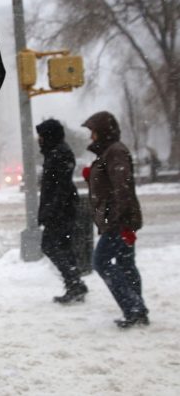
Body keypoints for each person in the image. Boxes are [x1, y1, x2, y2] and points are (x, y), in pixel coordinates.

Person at [82, 111, 149, 328]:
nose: (91, 136)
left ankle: (134, 308)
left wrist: (124, 224)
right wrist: (91, 176)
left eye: (93, 131)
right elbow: (111, 182)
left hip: (118, 221)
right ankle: (137, 310)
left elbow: (122, 188)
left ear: (101, 131)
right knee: (126, 264)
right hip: (119, 219)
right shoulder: (110, 152)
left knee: (101, 262)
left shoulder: (115, 152)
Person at [36, 119, 88, 304]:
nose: (39, 140)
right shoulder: (56, 153)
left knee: (49, 245)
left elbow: (60, 187)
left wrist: (50, 211)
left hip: (60, 211)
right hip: (61, 209)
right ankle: (75, 283)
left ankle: (74, 282)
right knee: (63, 247)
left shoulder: (59, 154)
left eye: (41, 136)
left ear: (49, 136)